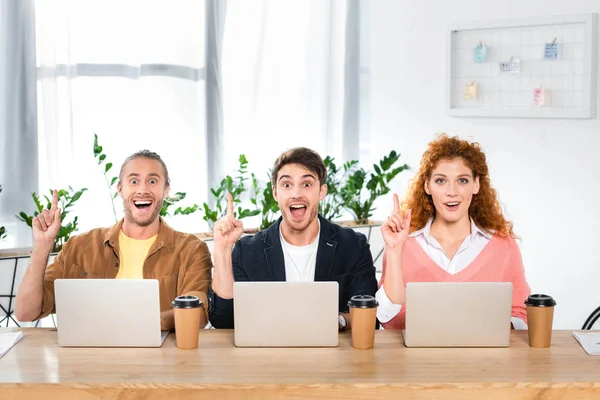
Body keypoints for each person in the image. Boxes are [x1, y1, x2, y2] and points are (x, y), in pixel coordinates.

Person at [15, 150, 213, 330]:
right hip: (88, 362)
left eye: (152, 181)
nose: (142, 189)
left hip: (160, 363)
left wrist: (141, 324)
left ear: (166, 190)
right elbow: (26, 312)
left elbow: (197, 315)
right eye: (133, 181)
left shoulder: (191, 250)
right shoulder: (79, 247)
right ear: (120, 189)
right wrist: (42, 246)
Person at [209, 147, 378, 329]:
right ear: (275, 193)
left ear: (321, 192)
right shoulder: (248, 250)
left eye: (306, 184)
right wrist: (222, 250)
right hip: (267, 353)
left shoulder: (353, 245)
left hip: (332, 354)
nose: (296, 194)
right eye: (287, 185)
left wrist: (338, 321)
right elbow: (223, 320)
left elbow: (369, 316)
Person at [377, 134, 530, 330]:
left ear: (476, 185)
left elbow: (521, 316)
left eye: (462, 181)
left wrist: (484, 327)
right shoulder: (402, 243)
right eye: (441, 181)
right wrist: (395, 250)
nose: (452, 192)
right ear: (427, 186)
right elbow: (388, 319)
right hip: (415, 359)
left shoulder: (504, 247)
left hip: (483, 358)